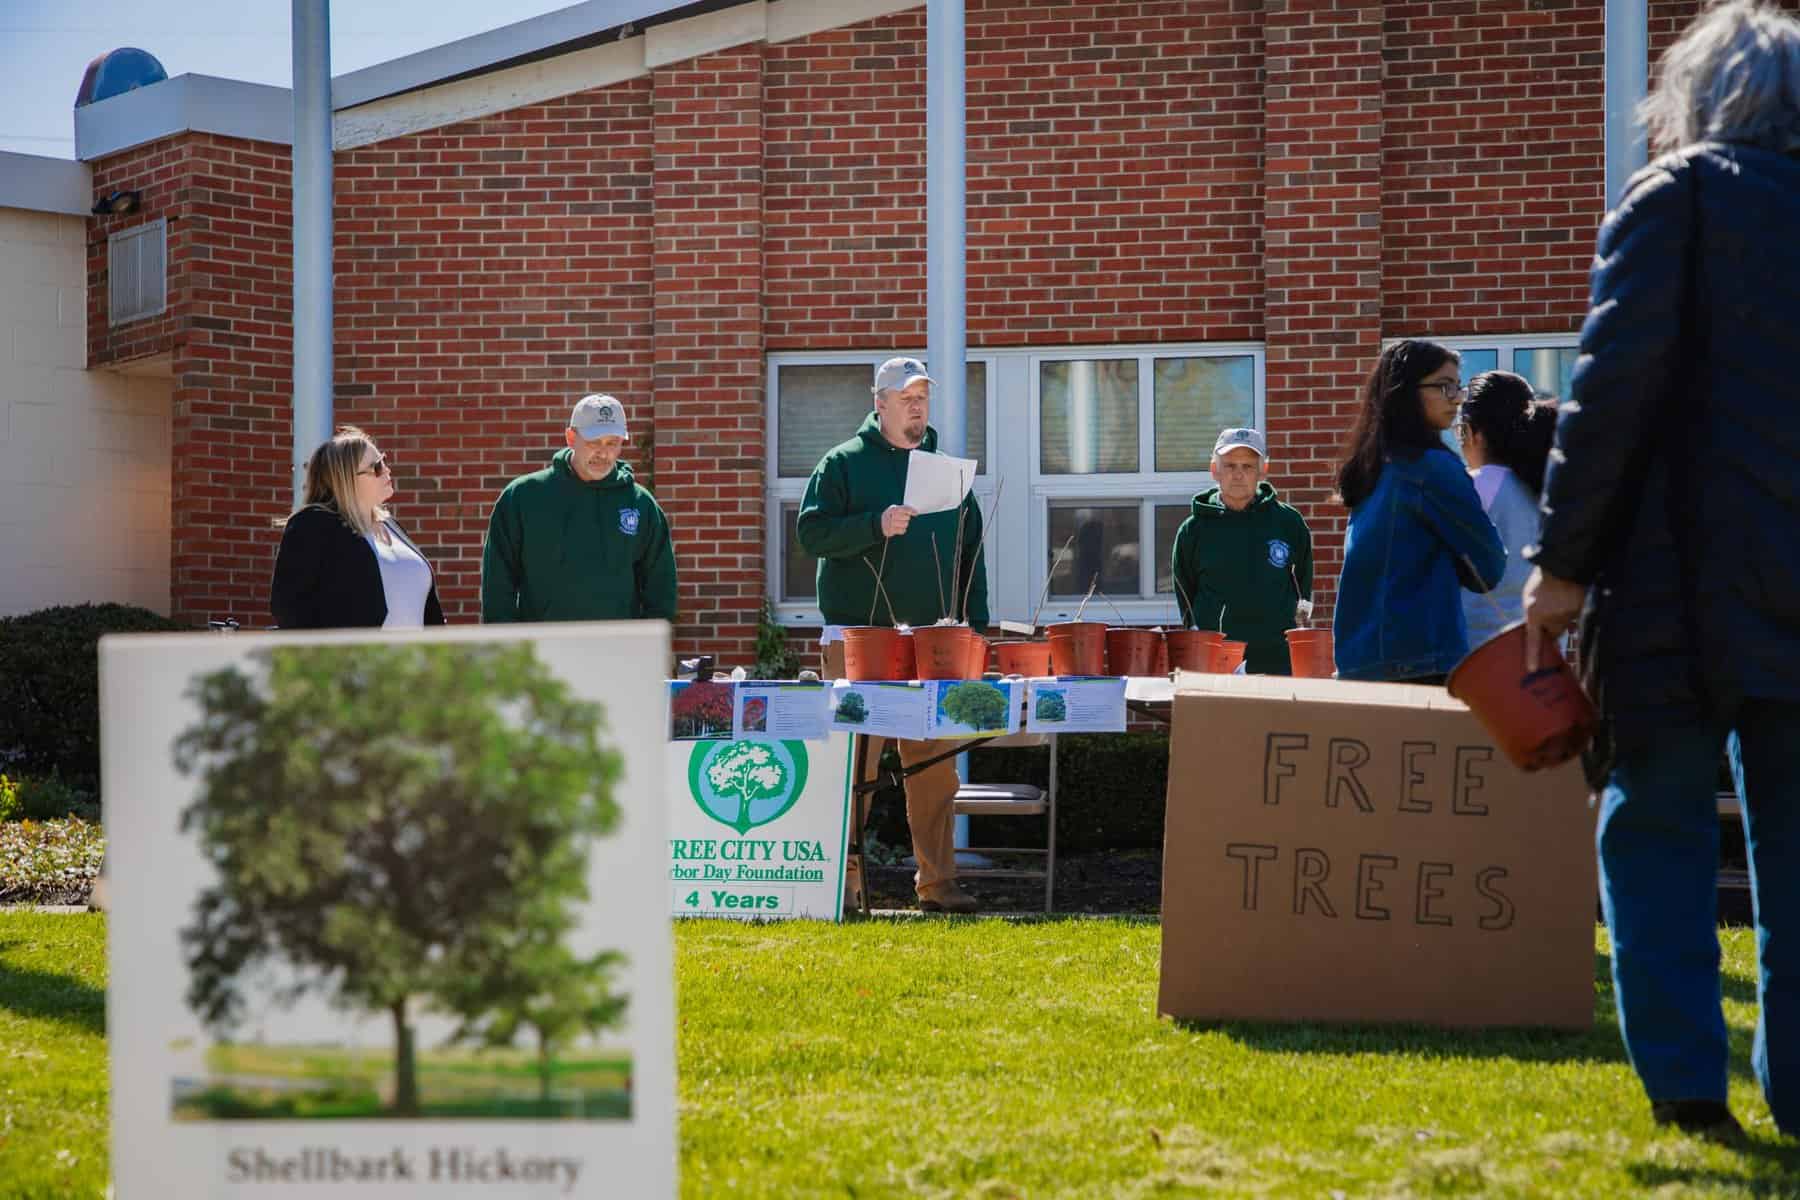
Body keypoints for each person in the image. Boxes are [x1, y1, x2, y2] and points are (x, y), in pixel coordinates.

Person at [1522, 0, 1800, 1144]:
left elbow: (1608, 404)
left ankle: (1691, 1094)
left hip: (1670, 596)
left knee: (1658, 833)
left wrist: (1561, 568)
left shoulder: (1672, 200)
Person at [798, 356, 988, 915]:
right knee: (854, 765)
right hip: (860, 641)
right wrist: (872, 526)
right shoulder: (843, 464)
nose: (916, 405)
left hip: (934, 644)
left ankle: (938, 883)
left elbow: (969, 557)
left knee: (936, 772)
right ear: (878, 403)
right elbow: (810, 532)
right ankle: (846, 884)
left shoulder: (949, 473)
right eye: (905, 397)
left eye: (922, 396)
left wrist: (973, 631)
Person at [1331, 340, 1506, 683]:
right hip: (1421, 663)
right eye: (1444, 386)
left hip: (1358, 666)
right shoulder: (1432, 468)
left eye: (1459, 386)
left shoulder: (1372, 468)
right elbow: (1490, 566)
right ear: (1405, 392)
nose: (1457, 398)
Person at [482, 394, 677, 623]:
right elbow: (497, 588)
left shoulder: (641, 505)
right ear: (571, 437)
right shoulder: (522, 498)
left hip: (616, 653)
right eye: (594, 442)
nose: (603, 453)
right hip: (542, 654)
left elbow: (661, 594)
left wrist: (642, 650)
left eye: (612, 443)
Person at [1170, 427, 1314, 674]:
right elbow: (1185, 593)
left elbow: (1303, 584)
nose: (1238, 475)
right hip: (1216, 662)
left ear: (1263, 470)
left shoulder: (1288, 523)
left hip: (1278, 663)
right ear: (1214, 470)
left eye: (1247, 466)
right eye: (1230, 466)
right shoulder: (1192, 530)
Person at [271, 426, 444, 629]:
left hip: (415, 659)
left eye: (384, 461)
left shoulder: (392, 526)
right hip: (354, 659)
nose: (387, 470)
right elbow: (289, 608)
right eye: (377, 466)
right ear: (346, 478)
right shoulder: (314, 525)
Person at [1455, 372, 1558, 647]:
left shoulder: (1470, 487)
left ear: (1470, 430)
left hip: (1478, 657)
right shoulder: (1550, 489)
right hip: (1544, 656)